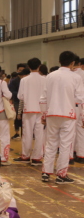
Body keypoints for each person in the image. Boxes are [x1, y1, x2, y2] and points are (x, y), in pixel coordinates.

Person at [40, 51, 84, 184]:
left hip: (52, 113)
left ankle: (46, 172)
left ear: (59, 61)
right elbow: (80, 98)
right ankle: (61, 174)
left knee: (51, 143)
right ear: (73, 63)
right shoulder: (76, 77)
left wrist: (43, 114)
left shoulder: (50, 76)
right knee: (65, 145)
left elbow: (43, 98)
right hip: (68, 114)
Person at [15, 58, 45, 164]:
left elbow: (20, 96)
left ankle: (26, 155)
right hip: (41, 109)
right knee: (39, 134)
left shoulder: (24, 80)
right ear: (39, 66)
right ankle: (37, 157)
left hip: (28, 109)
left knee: (27, 133)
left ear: (28, 67)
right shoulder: (44, 79)